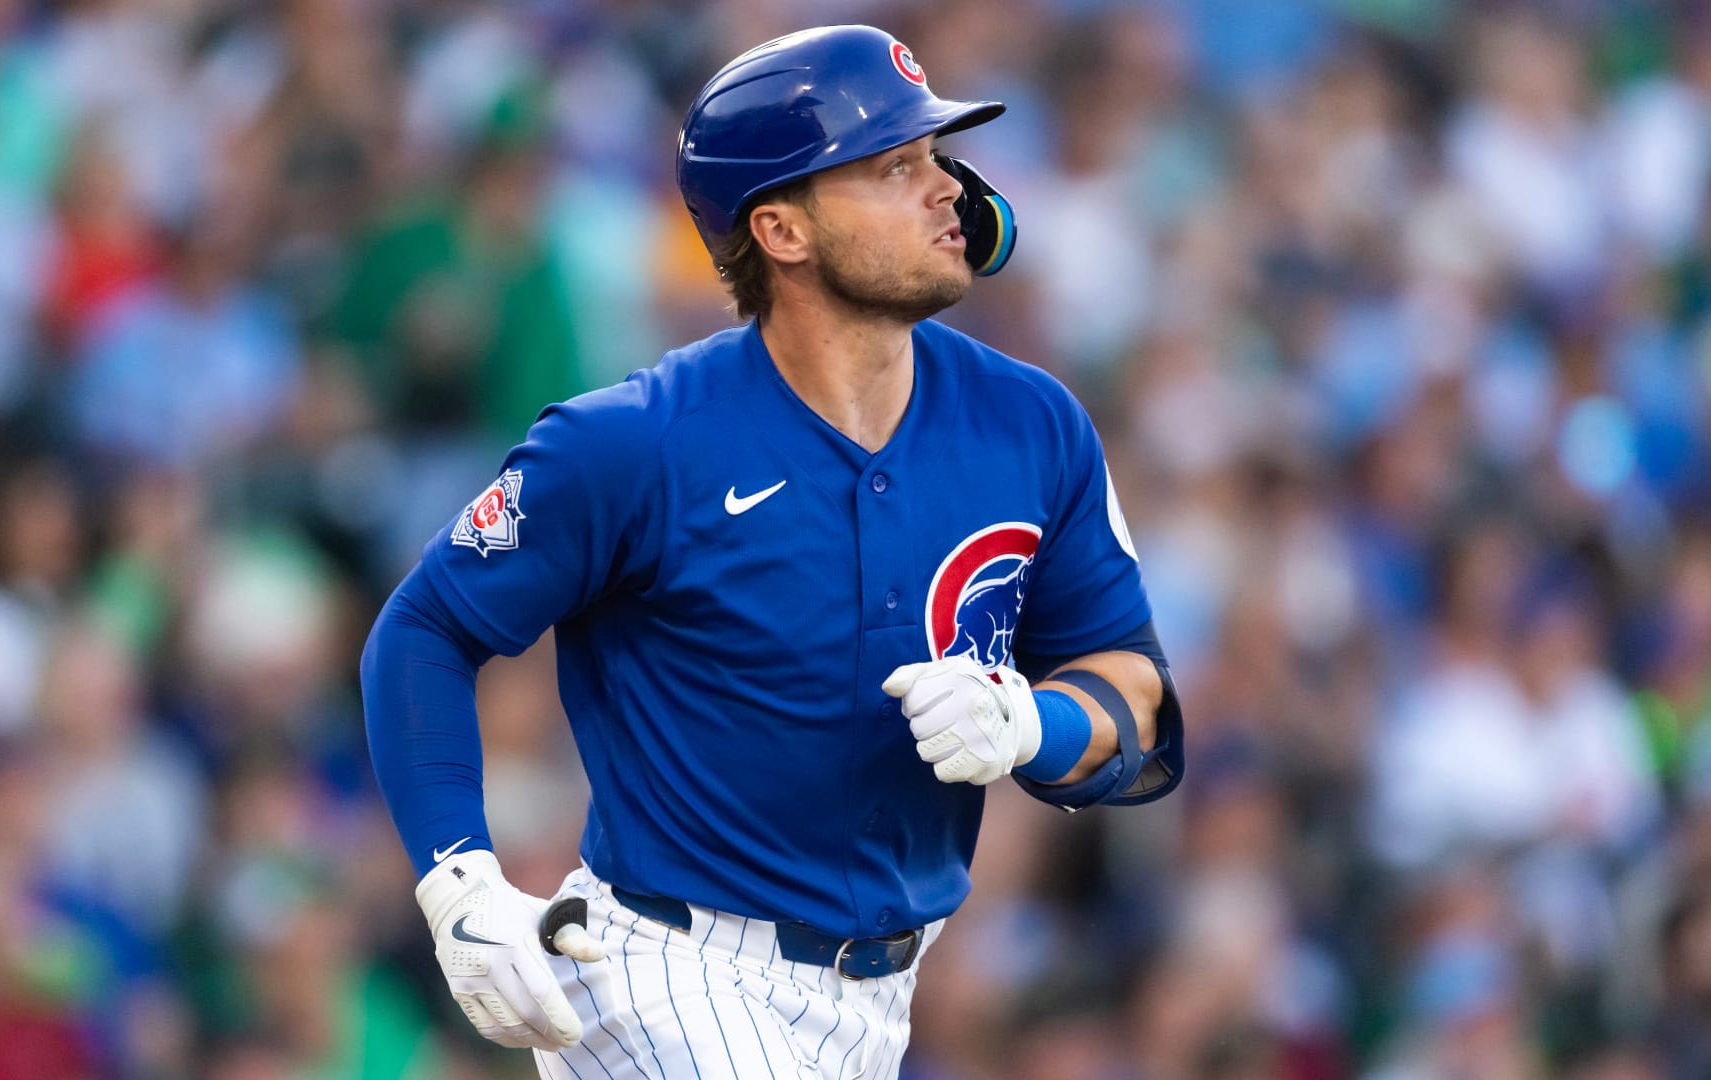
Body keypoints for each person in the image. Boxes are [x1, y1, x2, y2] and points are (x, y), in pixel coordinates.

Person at [360, 24, 1184, 1078]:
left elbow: (1139, 700)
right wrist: (457, 882)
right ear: (782, 230)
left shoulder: (1033, 423)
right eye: (895, 167)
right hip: (664, 971)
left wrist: (1035, 719)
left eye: (936, 158)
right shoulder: (635, 441)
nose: (947, 190)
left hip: (887, 997)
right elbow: (423, 627)